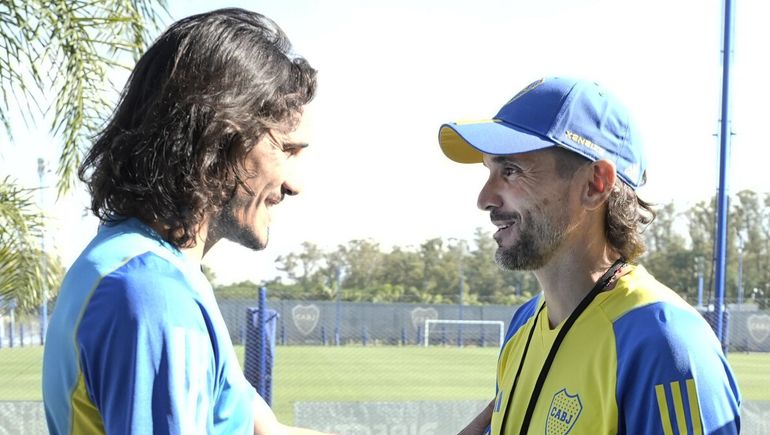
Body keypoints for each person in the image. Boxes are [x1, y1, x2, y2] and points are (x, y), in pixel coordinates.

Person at [42, 8, 333, 435]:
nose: (295, 184)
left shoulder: (144, 264)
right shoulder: (151, 294)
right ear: (217, 138)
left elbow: (262, 430)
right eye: (286, 150)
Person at [438, 76, 741, 434]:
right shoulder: (524, 324)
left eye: (511, 171)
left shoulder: (666, 343)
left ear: (595, 184)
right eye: (489, 171)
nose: (484, 198)